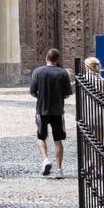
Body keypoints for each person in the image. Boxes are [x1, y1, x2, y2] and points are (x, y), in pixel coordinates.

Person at [30, 47, 73, 179]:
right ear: (57, 60)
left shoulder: (38, 72)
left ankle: (45, 160)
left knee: (41, 137)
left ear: (46, 58)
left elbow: (32, 91)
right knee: (58, 140)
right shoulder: (63, 73)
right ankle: (59, 169)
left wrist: (41, 97)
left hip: (42, 110)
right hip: (58, 111)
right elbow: (68, 93)